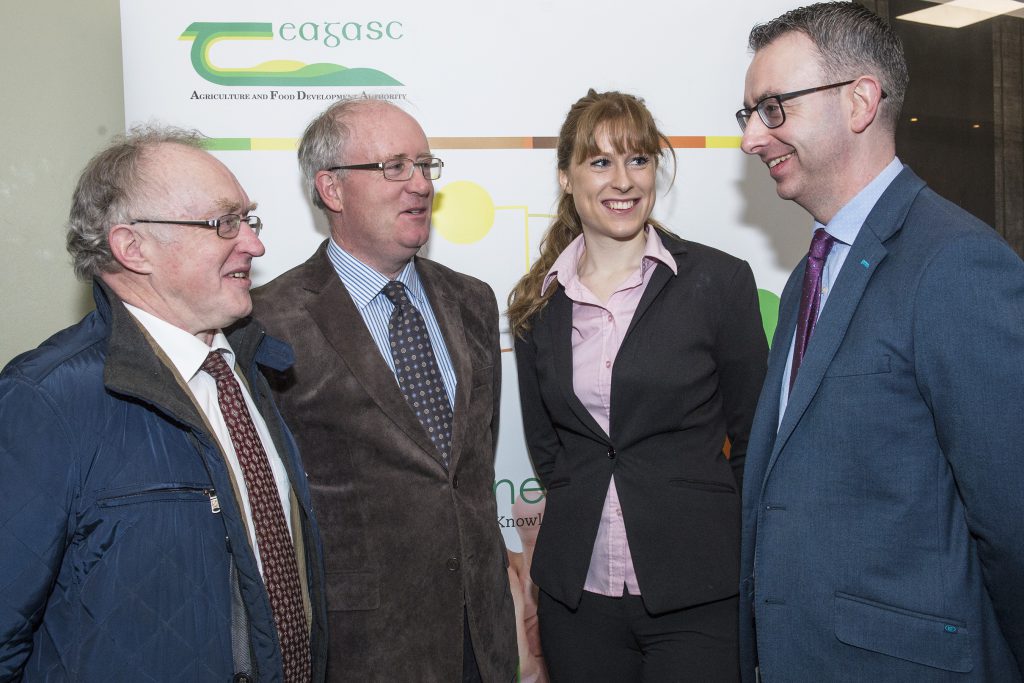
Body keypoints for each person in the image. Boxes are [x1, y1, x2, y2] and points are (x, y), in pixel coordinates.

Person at [736, 3, 1024, 681]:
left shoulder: (955, 265)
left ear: (861, 101)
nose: (752, 137)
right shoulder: (815, 270)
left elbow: (1012, 524)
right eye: (747, 113)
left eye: (773, 107)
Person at [0, 127, 327, 681]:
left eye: (250, 220)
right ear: (133, 248)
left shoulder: (246, 367)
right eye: (225, 222)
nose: (254, 244)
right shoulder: (46, 400)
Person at [243, 98, 517, 682]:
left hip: (481, 641)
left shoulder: (473, 301)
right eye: (394, 167)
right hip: (362, 647)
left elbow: (468, 468)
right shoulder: (268, 322)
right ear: (332, 189)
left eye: (425, 165)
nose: (419, 184)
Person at [508, 89, 768, 681]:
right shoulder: (534, 302)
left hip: (698, 592)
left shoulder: (718, 281)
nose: (622, 180)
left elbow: (754, 439)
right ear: (566, 178)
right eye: (600, 161)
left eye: (638, 159)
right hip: (578, 599)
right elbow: (551, 452)